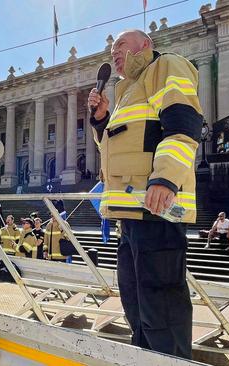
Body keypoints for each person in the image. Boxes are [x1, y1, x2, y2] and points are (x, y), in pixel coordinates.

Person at [87, 29, 202, 358]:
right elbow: (119, 149)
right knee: (137, 306)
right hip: (130, 216)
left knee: (161, 307)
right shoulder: (127, 90)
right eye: (111, 51)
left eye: (120, 45)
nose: (114, 54)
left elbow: (183, 124)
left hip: (156, 210)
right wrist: (101, 121)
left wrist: (165, 178)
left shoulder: (166, 66)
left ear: (145, 45)